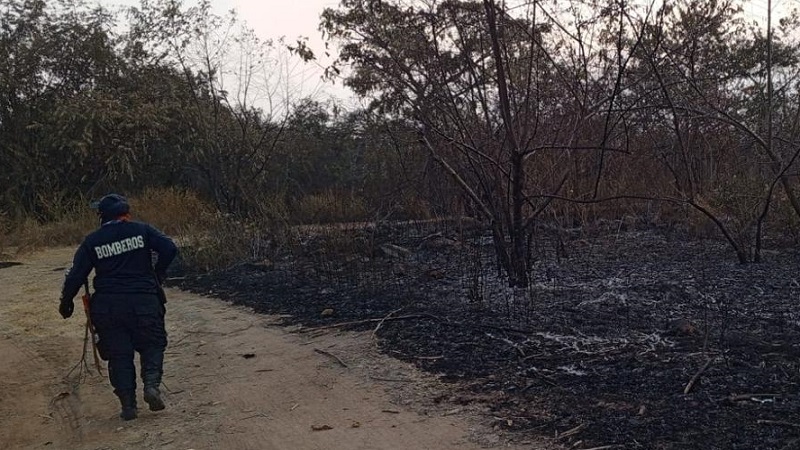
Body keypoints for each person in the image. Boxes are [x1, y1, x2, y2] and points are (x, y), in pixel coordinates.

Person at [58, 193, 178, 421]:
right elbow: (170, 248)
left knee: (119, 355)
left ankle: (128, 406)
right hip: (144, 302)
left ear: (102, 216)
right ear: (126, 214)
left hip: (109, 307)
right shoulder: (143, 230)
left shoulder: (92, 241)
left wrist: (66, 304)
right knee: (152, 344)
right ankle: (151, 385)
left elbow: (75, 275)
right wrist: (158, 273)